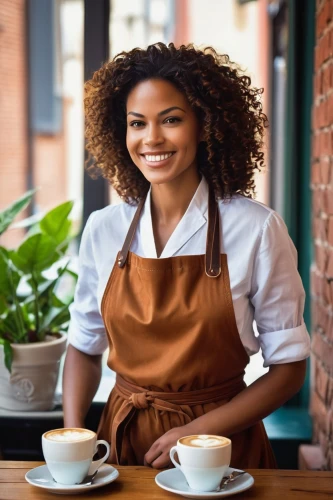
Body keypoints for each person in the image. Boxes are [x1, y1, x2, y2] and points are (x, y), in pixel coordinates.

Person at [63, 42, 310, 469]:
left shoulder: (256, 229)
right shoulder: (104, 230)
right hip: (121, 447)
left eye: (171, 120)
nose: (151, 138)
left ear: (204, 125)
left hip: (220, 450)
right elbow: (84, 348)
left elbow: (289, 368)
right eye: (136, 123)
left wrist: (199, 431)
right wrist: (74, 441)